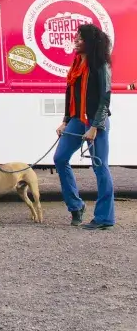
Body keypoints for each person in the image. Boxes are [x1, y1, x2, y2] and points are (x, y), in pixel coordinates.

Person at [53, 24, 114, 230]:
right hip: (77, 119)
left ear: (90, 42)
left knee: (100, 167)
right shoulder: (76, 63)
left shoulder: (101, 64)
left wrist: (95, 127)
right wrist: (65, 121)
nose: (76, 41)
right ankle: (76, 206)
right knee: (60, 158)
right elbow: (70, 94)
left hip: (95, 121)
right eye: (76, 37)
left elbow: (105, 99)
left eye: (80, 38)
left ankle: (104, 218)